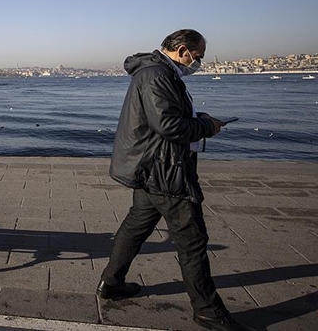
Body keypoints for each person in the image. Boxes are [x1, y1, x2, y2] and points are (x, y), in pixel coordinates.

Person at [96, 29, 254, 331]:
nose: (199, 62)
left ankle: (111, 282)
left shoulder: (156, 72)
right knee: (192, 240)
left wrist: (197, 116)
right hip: (165, 170)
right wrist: (206, 126)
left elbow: (167, 116)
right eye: (198, 56)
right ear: (182, 50)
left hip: (150, 168)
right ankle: (207, 310)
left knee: (135, 228)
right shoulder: (157, 76)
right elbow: (169, 126)